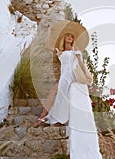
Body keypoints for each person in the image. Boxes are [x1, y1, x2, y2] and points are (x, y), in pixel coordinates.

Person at [35, 21, 102, 158]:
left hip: (73, 76)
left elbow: (81, 63)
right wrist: (50, 31)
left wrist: (87, 74)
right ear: (64, 38)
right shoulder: (60, 51)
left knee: (64, 94)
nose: (70, 38)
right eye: (68, 36)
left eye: (72, 36)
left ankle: (51, 117)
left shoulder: (75, 49)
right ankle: (44, 116)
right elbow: (48, 46)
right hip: (64, 77)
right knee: (55, 92)